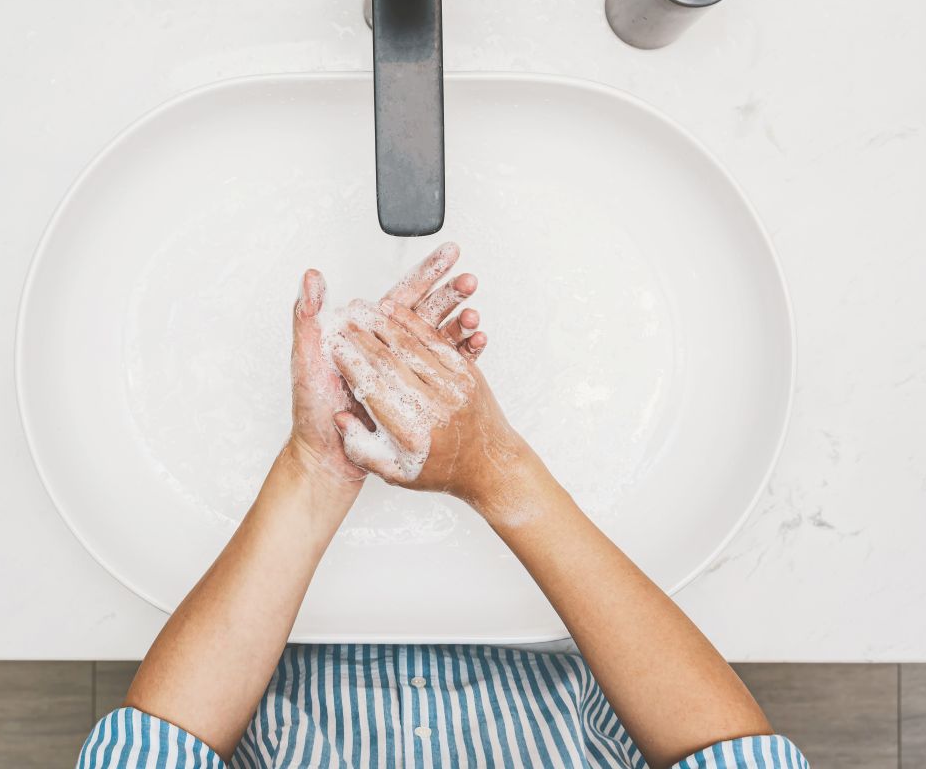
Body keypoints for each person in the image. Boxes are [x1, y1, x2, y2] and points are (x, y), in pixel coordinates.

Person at [76, 243, 806, 769]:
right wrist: (498, 471)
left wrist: (315, 472)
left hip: (272, 647)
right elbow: (733, 757)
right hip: (563, 649)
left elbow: (158, 749)